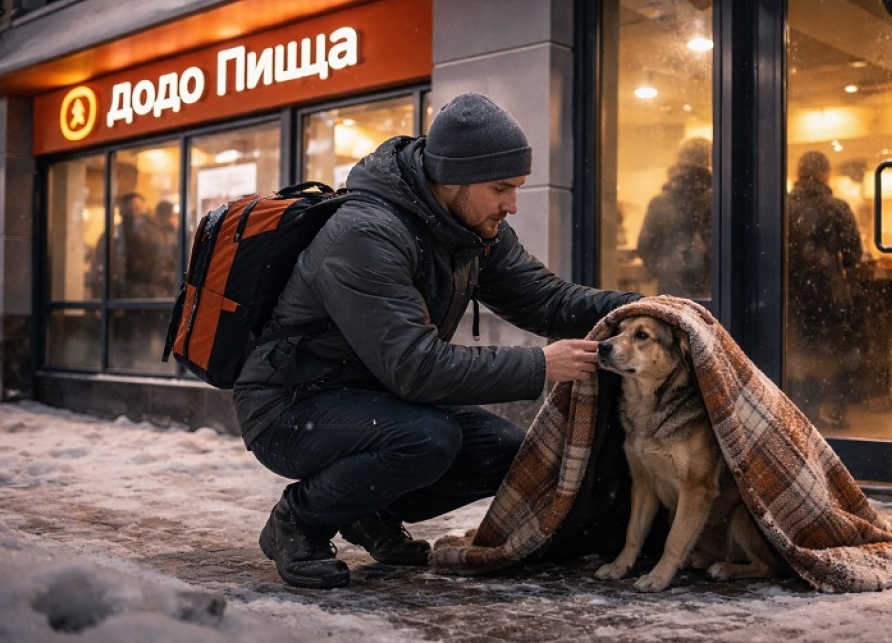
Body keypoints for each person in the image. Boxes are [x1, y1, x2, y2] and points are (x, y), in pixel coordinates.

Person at [233, 92, 642, 589]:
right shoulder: (364, 236)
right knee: (427, 440)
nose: (511, 205)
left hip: (377, 398)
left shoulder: (469, 230)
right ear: (453, 179)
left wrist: (645, 307)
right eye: (500, 188)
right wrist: (540, 365)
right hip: (291, 406)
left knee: (511, 453)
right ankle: (298, 521)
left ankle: (365, 508)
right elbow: (415, 367)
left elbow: (547, 300)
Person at [785, 151, 863, 430]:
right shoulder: (837, 207)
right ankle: (834, 411)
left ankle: (800, 412)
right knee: (831, 353)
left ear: (798, 171)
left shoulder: (782, 206)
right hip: (828, 294)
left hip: (790, 294)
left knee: (796, 351)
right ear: (826, 174)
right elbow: (854, 255)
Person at [636, 137, 713, 298]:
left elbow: (645, 247)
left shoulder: (660, 201)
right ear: (709, 160)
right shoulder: (716, 199)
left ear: (678, 163)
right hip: (710, 286)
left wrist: (665, 268)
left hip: (671, 287)